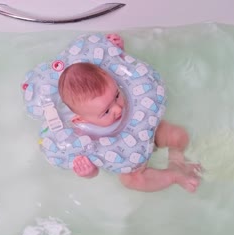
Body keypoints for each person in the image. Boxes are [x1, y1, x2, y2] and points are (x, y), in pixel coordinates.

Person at [57, 34, 202, 193]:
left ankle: (177, 162)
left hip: (147, 130)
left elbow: (125, 72)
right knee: (132, 180)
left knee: (178, 135)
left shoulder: (113, 89)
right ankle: (174, 176)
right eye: (106, 111)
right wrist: (88, 171)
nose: (118, 109)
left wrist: (118, 53)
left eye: (117, 96)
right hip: (126, 157)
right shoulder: (80, 133)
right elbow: (95, 164)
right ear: (81, 118)